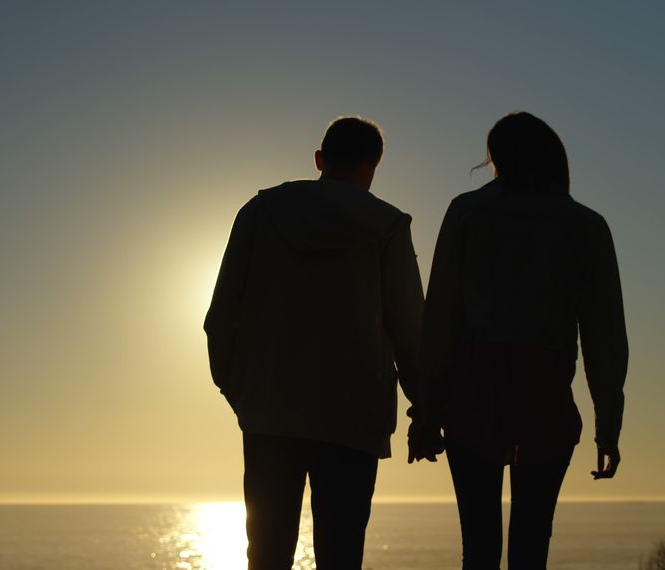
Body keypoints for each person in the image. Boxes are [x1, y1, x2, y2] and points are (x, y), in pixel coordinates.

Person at [204, 117, 434, 569]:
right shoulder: (386, 226)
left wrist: (238, 391)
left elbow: (222, 315)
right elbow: (409, 329)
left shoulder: (260, 213)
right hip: (354, 417)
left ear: (319, 160)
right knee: (341, 554)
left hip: (270, 412)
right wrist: (424, 409)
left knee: (266, 554)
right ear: (373, 166)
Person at [415, 112, 629, 569]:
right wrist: (608, 423)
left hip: (472, 393)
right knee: (532, 546)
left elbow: (439, 319)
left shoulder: (467, 212)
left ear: (496, 156)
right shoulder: (585, 225)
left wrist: (428, 410)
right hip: (545, 394)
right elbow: (604, 334)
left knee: (479, 545)